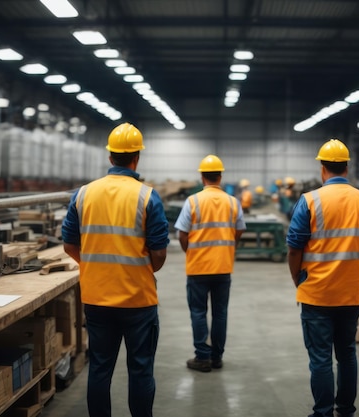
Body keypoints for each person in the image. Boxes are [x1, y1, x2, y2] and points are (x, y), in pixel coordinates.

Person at [61, 122, 170, 417]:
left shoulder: (83, 194)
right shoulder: (147, 196)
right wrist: (142, 270)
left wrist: (95, 268)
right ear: (137, 157)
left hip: (97, 299)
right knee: (141, 369)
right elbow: (159, 253)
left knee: (99, 367)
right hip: (138, 300)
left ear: (110, 157)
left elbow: (69, 245)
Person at [286, 139, 359, 417]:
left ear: (322, 168)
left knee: (320, 359)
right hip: (349, 295)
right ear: (346, 167)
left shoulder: (309, 201)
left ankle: (323, 412)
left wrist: (298, 279)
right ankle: (345, 410)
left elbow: (294, 247)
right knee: (347, 355)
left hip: (316, 294)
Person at [174, 154, 246, 372]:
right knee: (220, 313)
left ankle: (202, 357)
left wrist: (192, 252)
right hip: (223, 267)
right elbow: (239, 230)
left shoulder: (193, 201)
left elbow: (182, 234)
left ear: (202, 177)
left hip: (198, 268)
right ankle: (216, 357)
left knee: (198, 312)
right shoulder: (233, 202)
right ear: (220, 176)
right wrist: (226, 248)